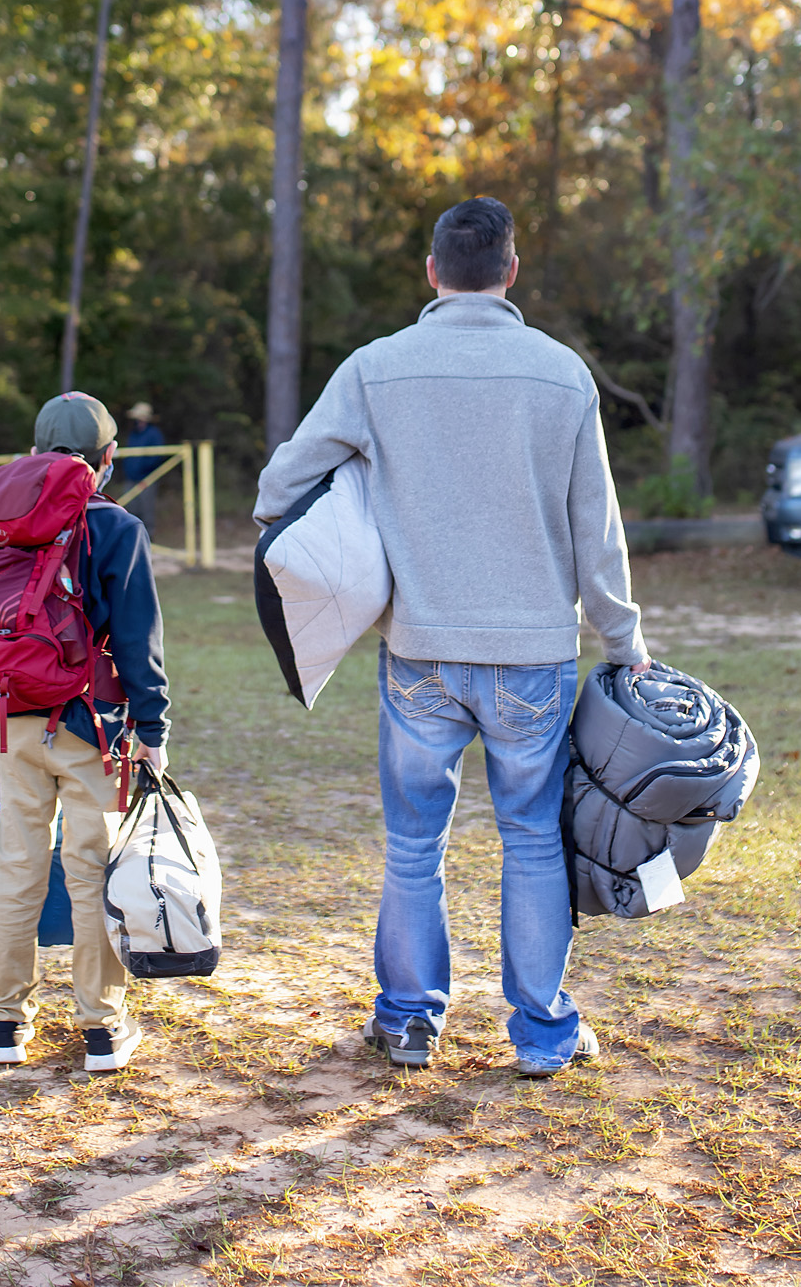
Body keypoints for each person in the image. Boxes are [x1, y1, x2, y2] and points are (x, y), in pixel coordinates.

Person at [253, 196, 651, 1079]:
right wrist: (623, 641)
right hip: (533, 660)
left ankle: (406, 1023)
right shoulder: (562, 373)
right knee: (535, 841)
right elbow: (598, 529)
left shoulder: (374, 369)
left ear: (431, 272)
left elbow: (281, 485)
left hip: (420, 652)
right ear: (510, 272)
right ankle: (542, 1035)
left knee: (412, 845)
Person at [0, 390, 169, 1073]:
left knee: (17, 869)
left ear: (33, 453)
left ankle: (4, 1026)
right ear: (108, 457)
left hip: (10, 720)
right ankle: (101, 1030)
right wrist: (152, 726)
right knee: (91, 874)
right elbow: (138, 640)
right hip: (90, 728)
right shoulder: (117, 528)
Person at [121, 401, 165, 540]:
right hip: (131, 478)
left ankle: (148, 538)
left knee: (147, 510)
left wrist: (144, 469)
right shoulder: (133, 434)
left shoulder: (154, 434)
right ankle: (135, 537)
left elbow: (156, 456)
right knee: (131, 508)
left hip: (147, 478)